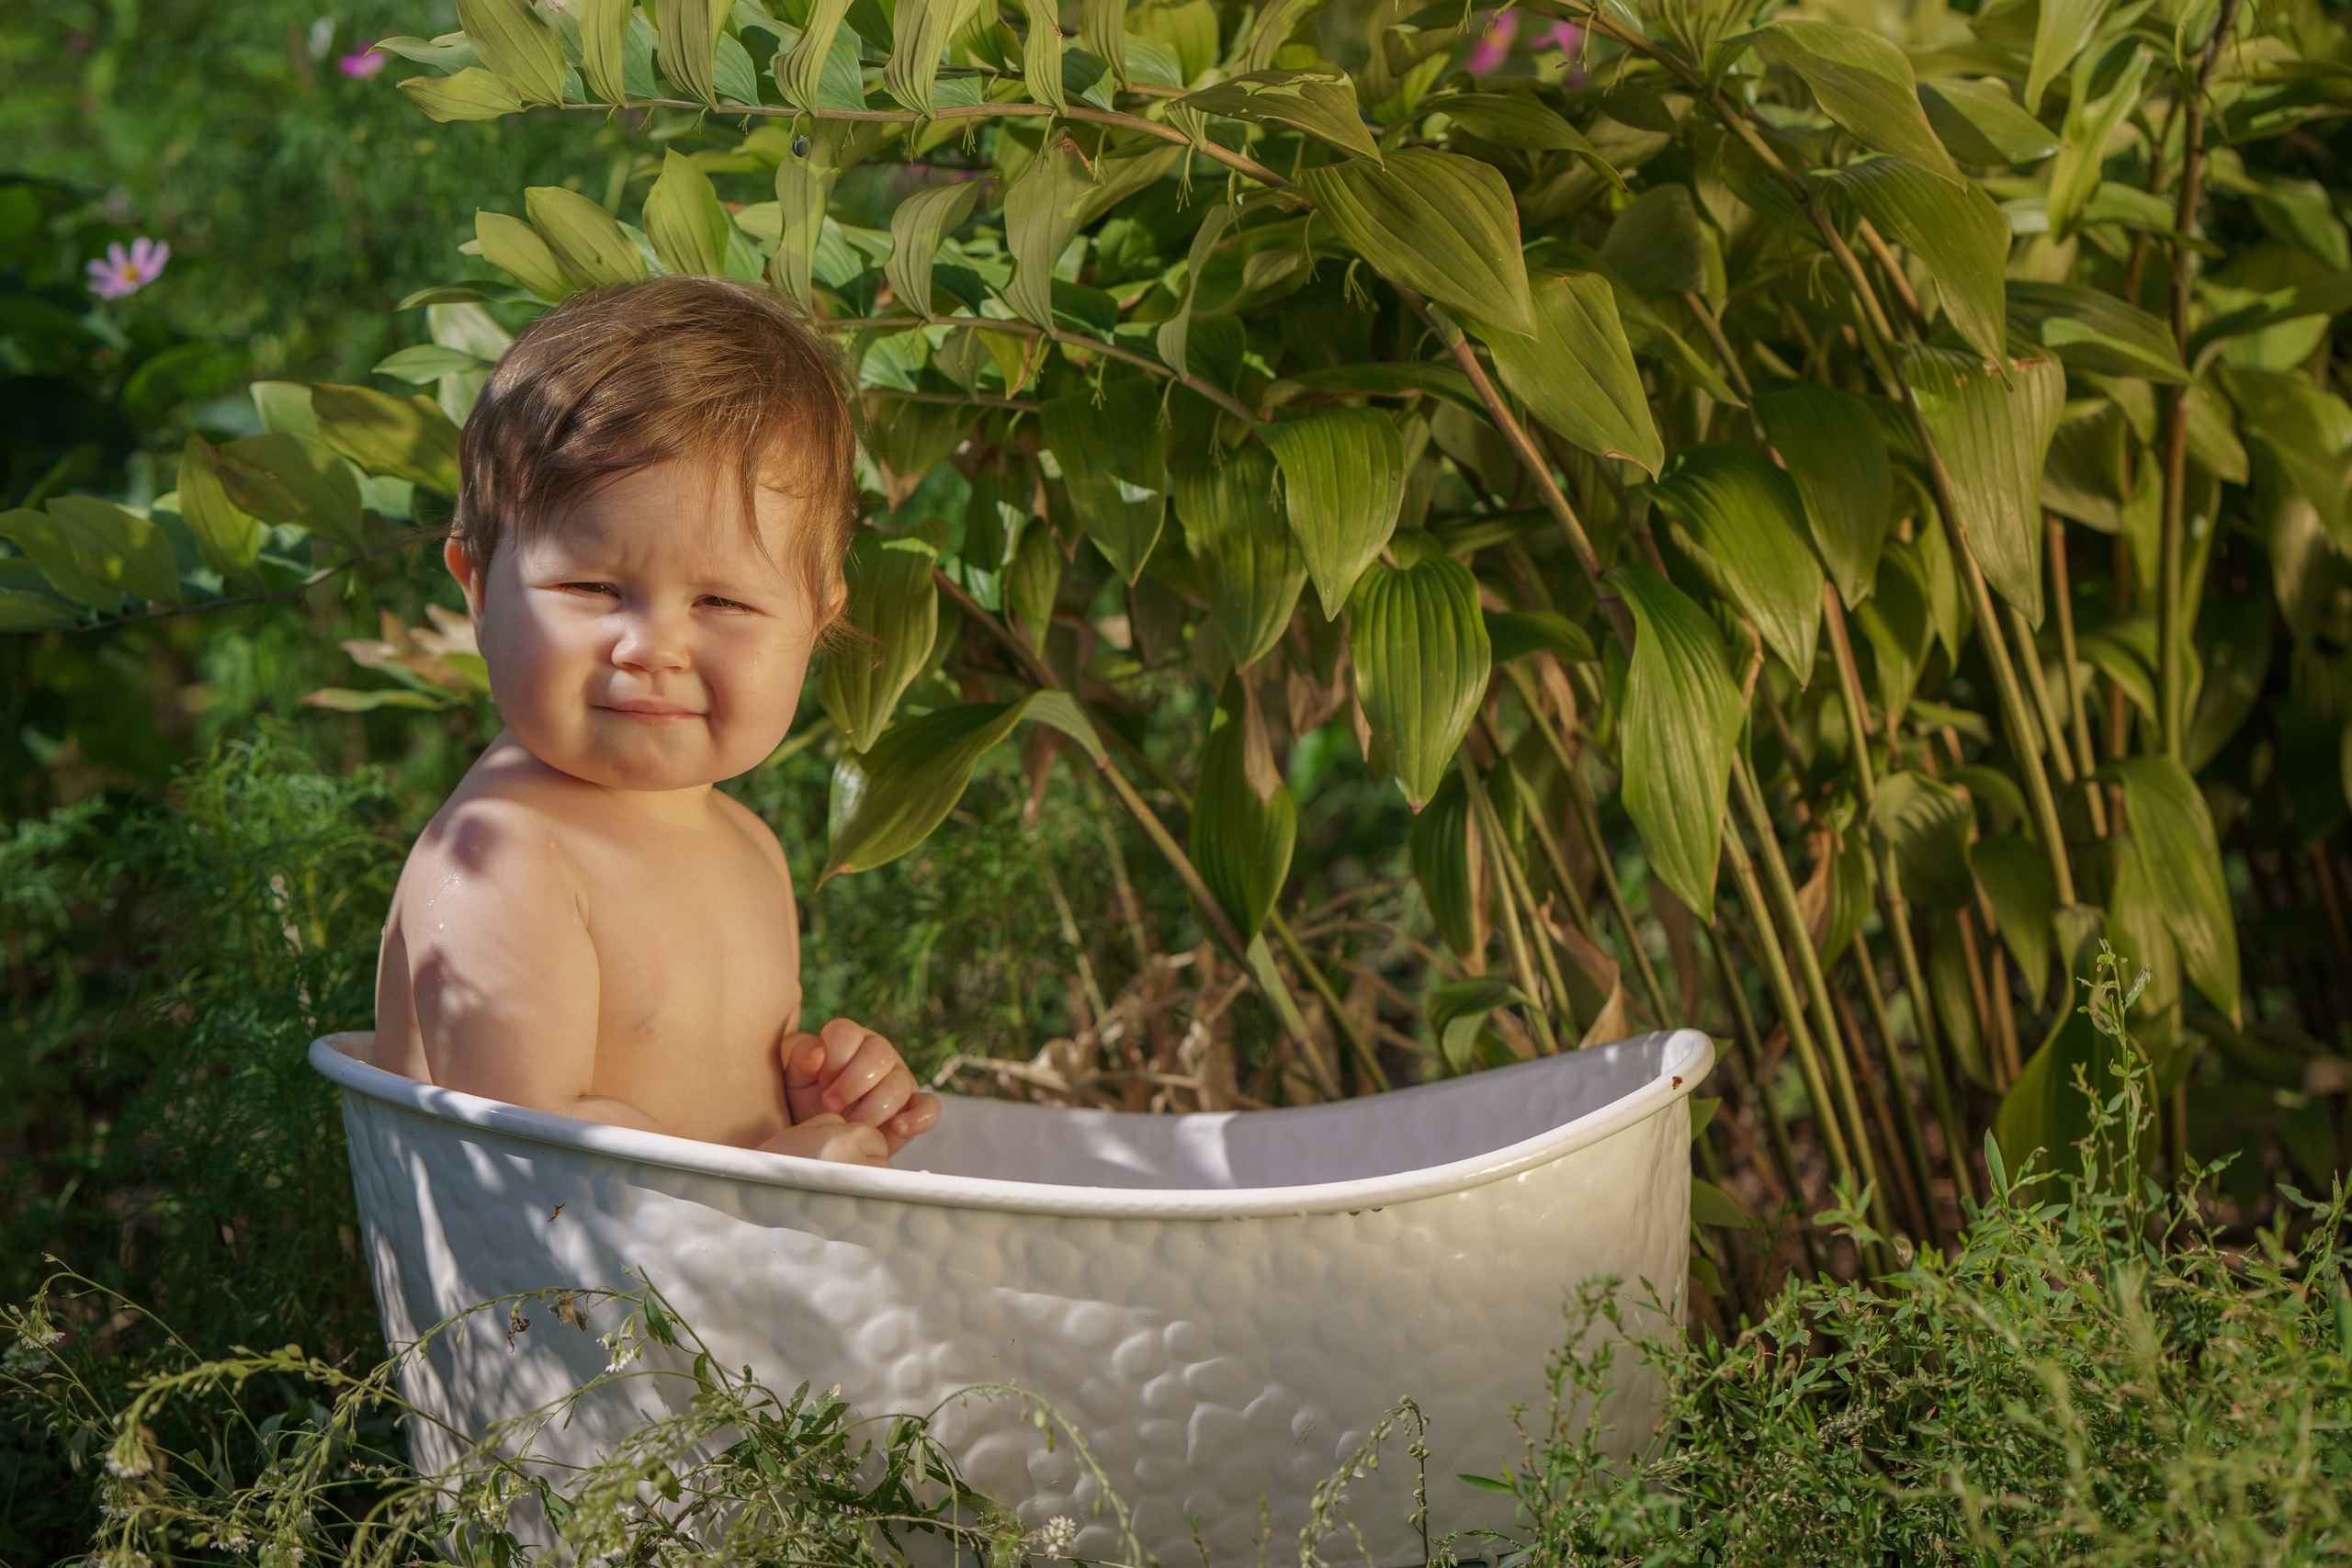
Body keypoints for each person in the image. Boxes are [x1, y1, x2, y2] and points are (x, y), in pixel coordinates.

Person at [372, 276, 939, 1168]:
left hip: (699, 1289)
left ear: (817, 622)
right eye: (593, 588)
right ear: (478, 590)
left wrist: (815, 1101)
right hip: (550, 1302)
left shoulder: (749, 848)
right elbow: (529, 1158)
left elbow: (725, 1108)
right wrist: (788, 1172)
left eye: (721, 600)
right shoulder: (505, 861)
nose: (652, 646)